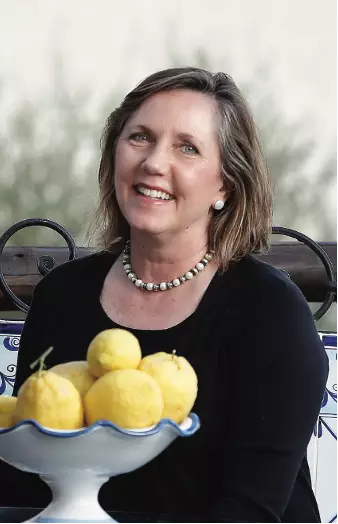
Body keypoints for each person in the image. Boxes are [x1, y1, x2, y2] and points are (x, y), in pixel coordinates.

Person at [3, 67, 328, 523]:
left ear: (225, 185)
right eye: (139, 137)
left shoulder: (269, 311)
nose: (154, 162)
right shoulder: (61, 296)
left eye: (187, 148)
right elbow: (24, 478)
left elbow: (253, 510)